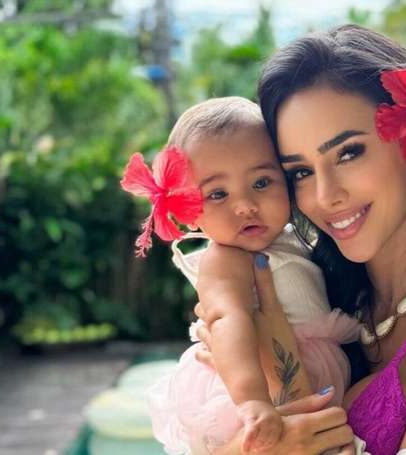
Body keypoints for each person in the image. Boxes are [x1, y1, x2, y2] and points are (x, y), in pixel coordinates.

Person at [191, 24, 406, 455]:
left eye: (348, 153)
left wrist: (285, 382)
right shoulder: (313, 298)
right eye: (300, 172)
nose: (325, 196)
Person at [122, 97, 359, 455]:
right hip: (246, 388)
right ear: (190, 210)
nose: (245, 205)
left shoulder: (295, 241)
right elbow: (226, 320)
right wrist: (252, 400)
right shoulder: (225, 258)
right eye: (218, 193)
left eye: (262, 182)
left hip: (308, 372)